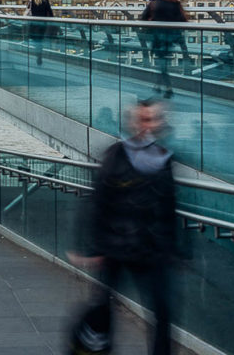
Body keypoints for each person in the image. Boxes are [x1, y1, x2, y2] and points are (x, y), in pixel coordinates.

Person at [68, 100, 176, 355]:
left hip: (151, 250)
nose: (149, 126)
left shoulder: (164, 158)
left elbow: (168, 206)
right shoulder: (116, 154)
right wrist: (91, 247)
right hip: (115, 248)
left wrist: (174, 247)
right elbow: (97, 202)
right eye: (144, 120)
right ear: (134, 123)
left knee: (163, 312)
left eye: (154, 120)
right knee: (103, 308)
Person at [140, 0, 188, 98]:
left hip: (157, 36)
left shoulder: (155, 2)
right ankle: (160, 85)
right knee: (163, 62)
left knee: (162, 62)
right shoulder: (175, 2)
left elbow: (143, 17)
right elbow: (182, 19)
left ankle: (167, 87)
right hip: (171, 36)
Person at [27, 0, 55, 65]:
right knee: (40, 40)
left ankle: (38, 55)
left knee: (36, 41)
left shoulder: (31, 1)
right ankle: (40, 56)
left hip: (34, 24)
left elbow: (28, 12)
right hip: (43, 24)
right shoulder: (45, 1)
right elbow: (50, 13)